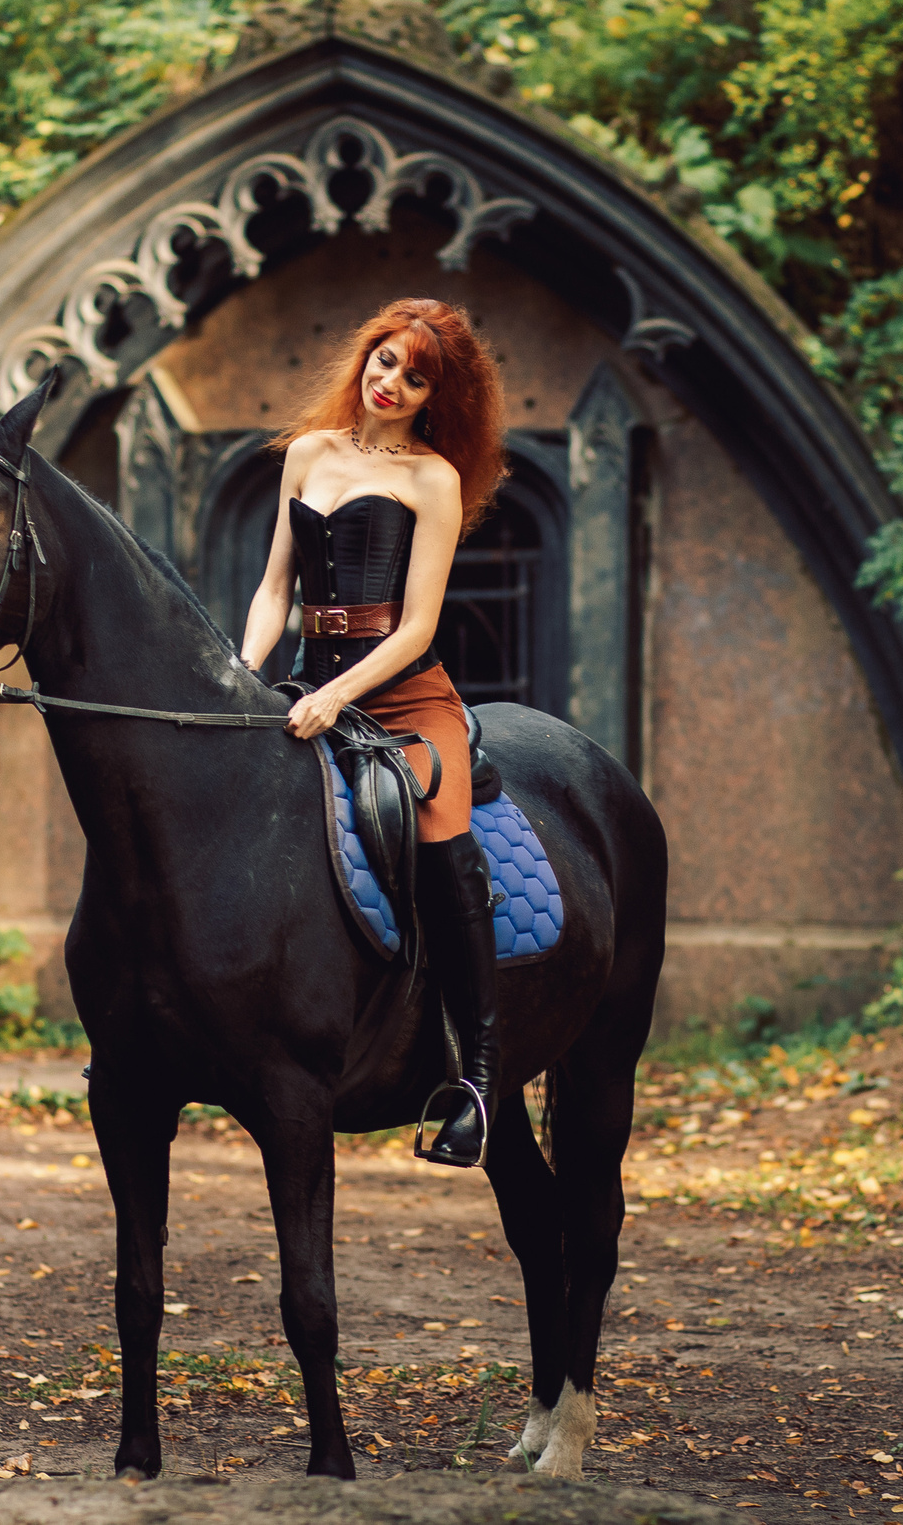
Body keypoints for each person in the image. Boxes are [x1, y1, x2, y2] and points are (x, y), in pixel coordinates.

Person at [238, 297, 510, 1169]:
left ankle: (478, 1079)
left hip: (400, 693)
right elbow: (276, 589)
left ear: (438, 396)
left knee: (439, 836)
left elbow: (417, 628)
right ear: (365, 358)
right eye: (386, 361)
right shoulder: (307, 455)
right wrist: (246, 679)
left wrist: (337, 695)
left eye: (416, 375)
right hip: (306, 680)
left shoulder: (433, 479)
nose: (392, 382)